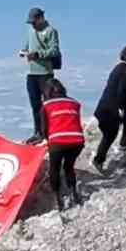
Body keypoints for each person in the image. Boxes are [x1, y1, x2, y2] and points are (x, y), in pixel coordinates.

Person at [93, 46, 126, 170]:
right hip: (110, 109)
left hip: (111, 107)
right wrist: (120, 109)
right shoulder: (125, 71)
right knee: (110, 135)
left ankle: (124, 146)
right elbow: (122, 90)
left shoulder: (121, 68)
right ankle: (98, 160)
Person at [39, 79, 86, 210]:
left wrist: (48, 141)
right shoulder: (74, 103)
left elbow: (44, 130)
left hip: (58, 141)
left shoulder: (46, 105)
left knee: (54, 168)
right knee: (69, 166)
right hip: (77, 141)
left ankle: (57, 198)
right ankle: (74, 194)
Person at [20, 7, 61, 144]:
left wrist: (38, 54)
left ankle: (49, 132)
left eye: (34, 21)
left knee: (48, 104)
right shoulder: (31, 31)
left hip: (45, 73)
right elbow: (28, 45)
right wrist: (24, 51)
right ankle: (38, 132)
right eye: (31, 22)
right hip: (32, 73)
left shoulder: (51, 31)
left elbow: (54, 51)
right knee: (35, 105)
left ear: (41, 18)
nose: (32, 24)